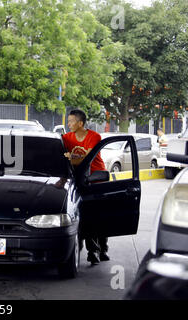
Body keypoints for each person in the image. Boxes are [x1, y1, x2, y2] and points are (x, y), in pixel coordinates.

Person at [62, 109, 109, 265]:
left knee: (99, 217)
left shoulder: (94, 137)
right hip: (79, 181)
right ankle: (92, 251)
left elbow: (86, 160)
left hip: (97, 180)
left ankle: (102, 249)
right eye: (68, 121)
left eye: (71, 121)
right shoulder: (66, 138)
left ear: (80, 123)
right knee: (82, 216)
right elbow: (62, 159)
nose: (68, 125)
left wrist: (71, 158)